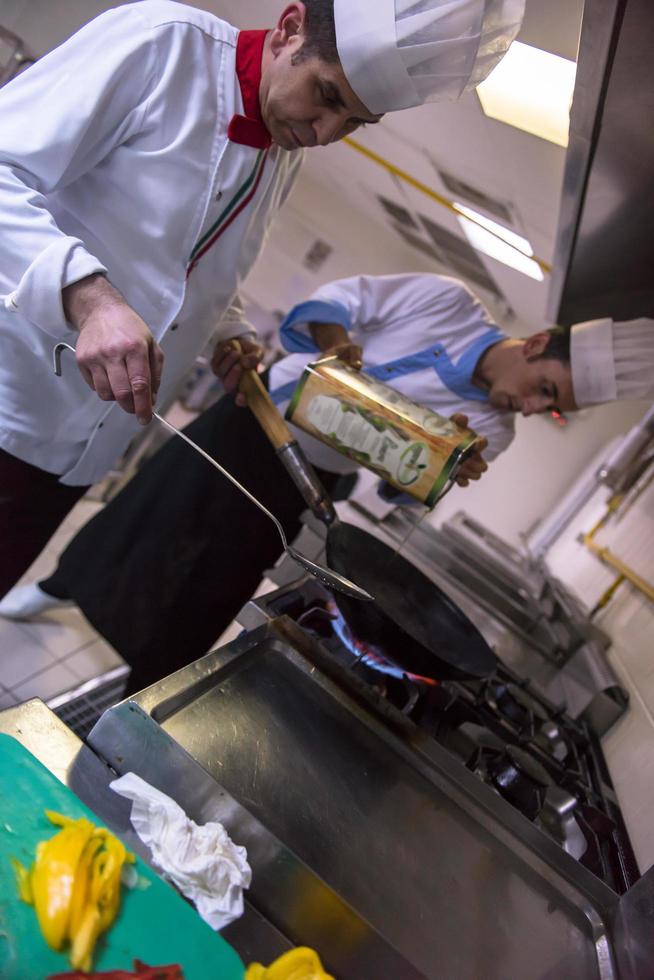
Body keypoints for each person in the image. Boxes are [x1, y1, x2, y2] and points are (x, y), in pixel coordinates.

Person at [0, 0, 525, 599]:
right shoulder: (164, 44)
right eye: (327, 95)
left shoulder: (284, 152)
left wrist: (230, 331)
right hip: (10, 398)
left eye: (355, 122)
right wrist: (91, 300)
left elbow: (191, 271)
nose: (327, 134)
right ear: (290, 27)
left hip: (78, 455)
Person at [3, 273, 652, 696]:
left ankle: (147, 685)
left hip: (308, 478)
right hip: (254, 417)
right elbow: (346, 299)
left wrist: (434, 466)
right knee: (146, 511)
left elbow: (397, 494)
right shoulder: (449, 303)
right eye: (544, 390)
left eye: (551, 408)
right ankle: (59, 586)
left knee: (217, 578)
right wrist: (338, 345)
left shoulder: (492, 431)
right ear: (537, 343)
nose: (533, 408)